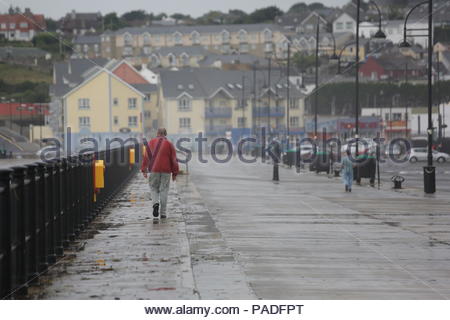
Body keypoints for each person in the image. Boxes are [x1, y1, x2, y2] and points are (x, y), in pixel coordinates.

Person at [141, 128, 179, 219]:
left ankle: (155, 204)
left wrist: (144, 169)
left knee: (154, 188)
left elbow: (146, 157)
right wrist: (175, 173)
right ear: (165, 134)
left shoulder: (151, 142)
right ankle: (163, 213)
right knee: (164, 190)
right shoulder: (169, 144)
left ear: (157, 133)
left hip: (154, 169)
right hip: (166, 170)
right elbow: (174, 160)